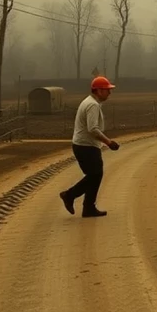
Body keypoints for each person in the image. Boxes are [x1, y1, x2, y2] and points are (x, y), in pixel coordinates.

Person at [60, 76, 120, 218]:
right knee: (95, 175)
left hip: (84, 145)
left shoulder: (90, 102)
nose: (109, 93)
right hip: (86, 146)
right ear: (98, 91)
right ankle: (70, 195)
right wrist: (109, 142)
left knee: (94, 175)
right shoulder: (92, 105)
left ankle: (87, 207)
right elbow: (92, 129)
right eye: (107, 90)